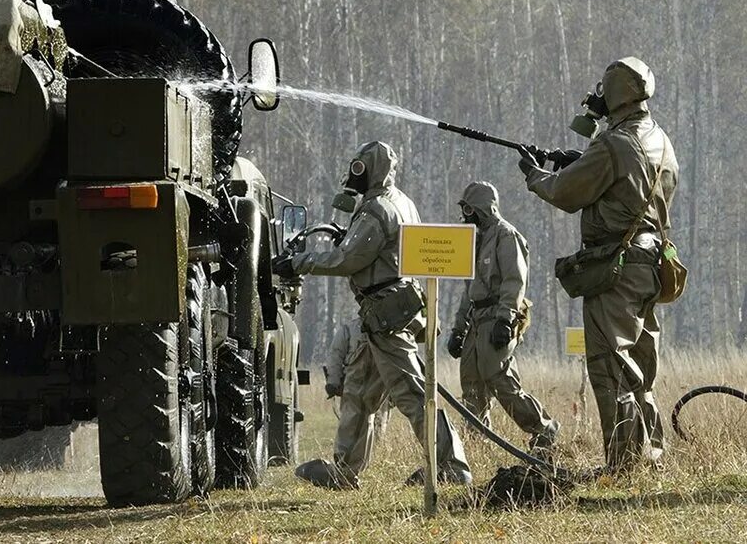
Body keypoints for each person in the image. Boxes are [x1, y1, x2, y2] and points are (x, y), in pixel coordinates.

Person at [278, 141, 471, 489]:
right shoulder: (402, 202)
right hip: (390, 313)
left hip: (387, 317)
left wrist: (298, 262)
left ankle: (452, 466)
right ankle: (344, 471)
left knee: (413, 394)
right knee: (360, 393)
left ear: (366, 169)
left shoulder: (376, 209)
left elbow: (347, 260)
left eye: (358, 169)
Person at [517, 57, 677, 474]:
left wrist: (535, 175)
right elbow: (626, 184)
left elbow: (565, 193)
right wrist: (579, 160)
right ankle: (650, 457)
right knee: (641, 365)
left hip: (617, 267)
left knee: (610, 364)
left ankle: (623, 465)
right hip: (651, 264)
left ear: (615, 93)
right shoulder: (660, 139)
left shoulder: (613, 144)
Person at [447, 181, 559, 451]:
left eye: (469, 208)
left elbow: (514, 280)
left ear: (481, 208)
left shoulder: (506, 235)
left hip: (497, 317)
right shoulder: (474, 240)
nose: (465, 215)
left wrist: (505, 319)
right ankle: (476, 441)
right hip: (477, 319)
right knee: (471, 382)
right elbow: (468, 288)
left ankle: (543, 428)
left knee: (500, 379)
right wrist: (458, 328)